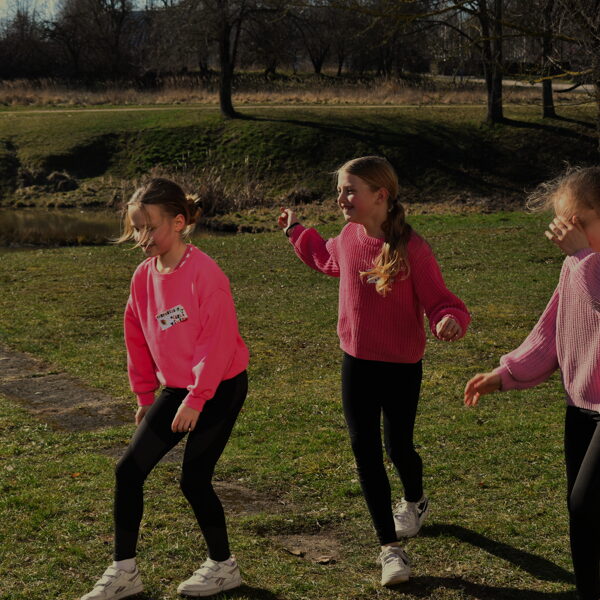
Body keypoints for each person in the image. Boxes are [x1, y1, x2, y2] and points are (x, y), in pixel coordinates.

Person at [278, 156, 470, 586]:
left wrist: (449, 319)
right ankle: (390, 549)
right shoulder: (348, 238)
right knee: (365, 452)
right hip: (357, 363)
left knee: (398, 447)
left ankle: (415, 501)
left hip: (401, 367)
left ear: (380, 195)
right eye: (340, 190)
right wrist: (296, 231)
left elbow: (442, 300)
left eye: (350, 190)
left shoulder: (412, 249)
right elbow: (325, 257)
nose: (341, 198)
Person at [80, 178, 249, 600]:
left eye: (150, 227)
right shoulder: (143, 276)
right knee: (128, 471)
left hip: (220, 385)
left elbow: (217, 342)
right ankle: (124, 572)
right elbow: (136, 336)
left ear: (178, 222)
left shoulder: (205, 274)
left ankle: (223, 566)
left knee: (194, 479)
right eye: (136, 228)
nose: (142, 237)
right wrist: (144, 397)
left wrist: (197, 398)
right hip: (177, 388)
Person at [464, 166, 600, 600]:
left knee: (586, 504)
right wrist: (506, 373)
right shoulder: (575, 266)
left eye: (577, 222)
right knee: (580, 514)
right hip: (579, 408)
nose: (566, 234)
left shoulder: (583, 263)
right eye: (562, 223)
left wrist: (582, 257)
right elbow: (551, 331)